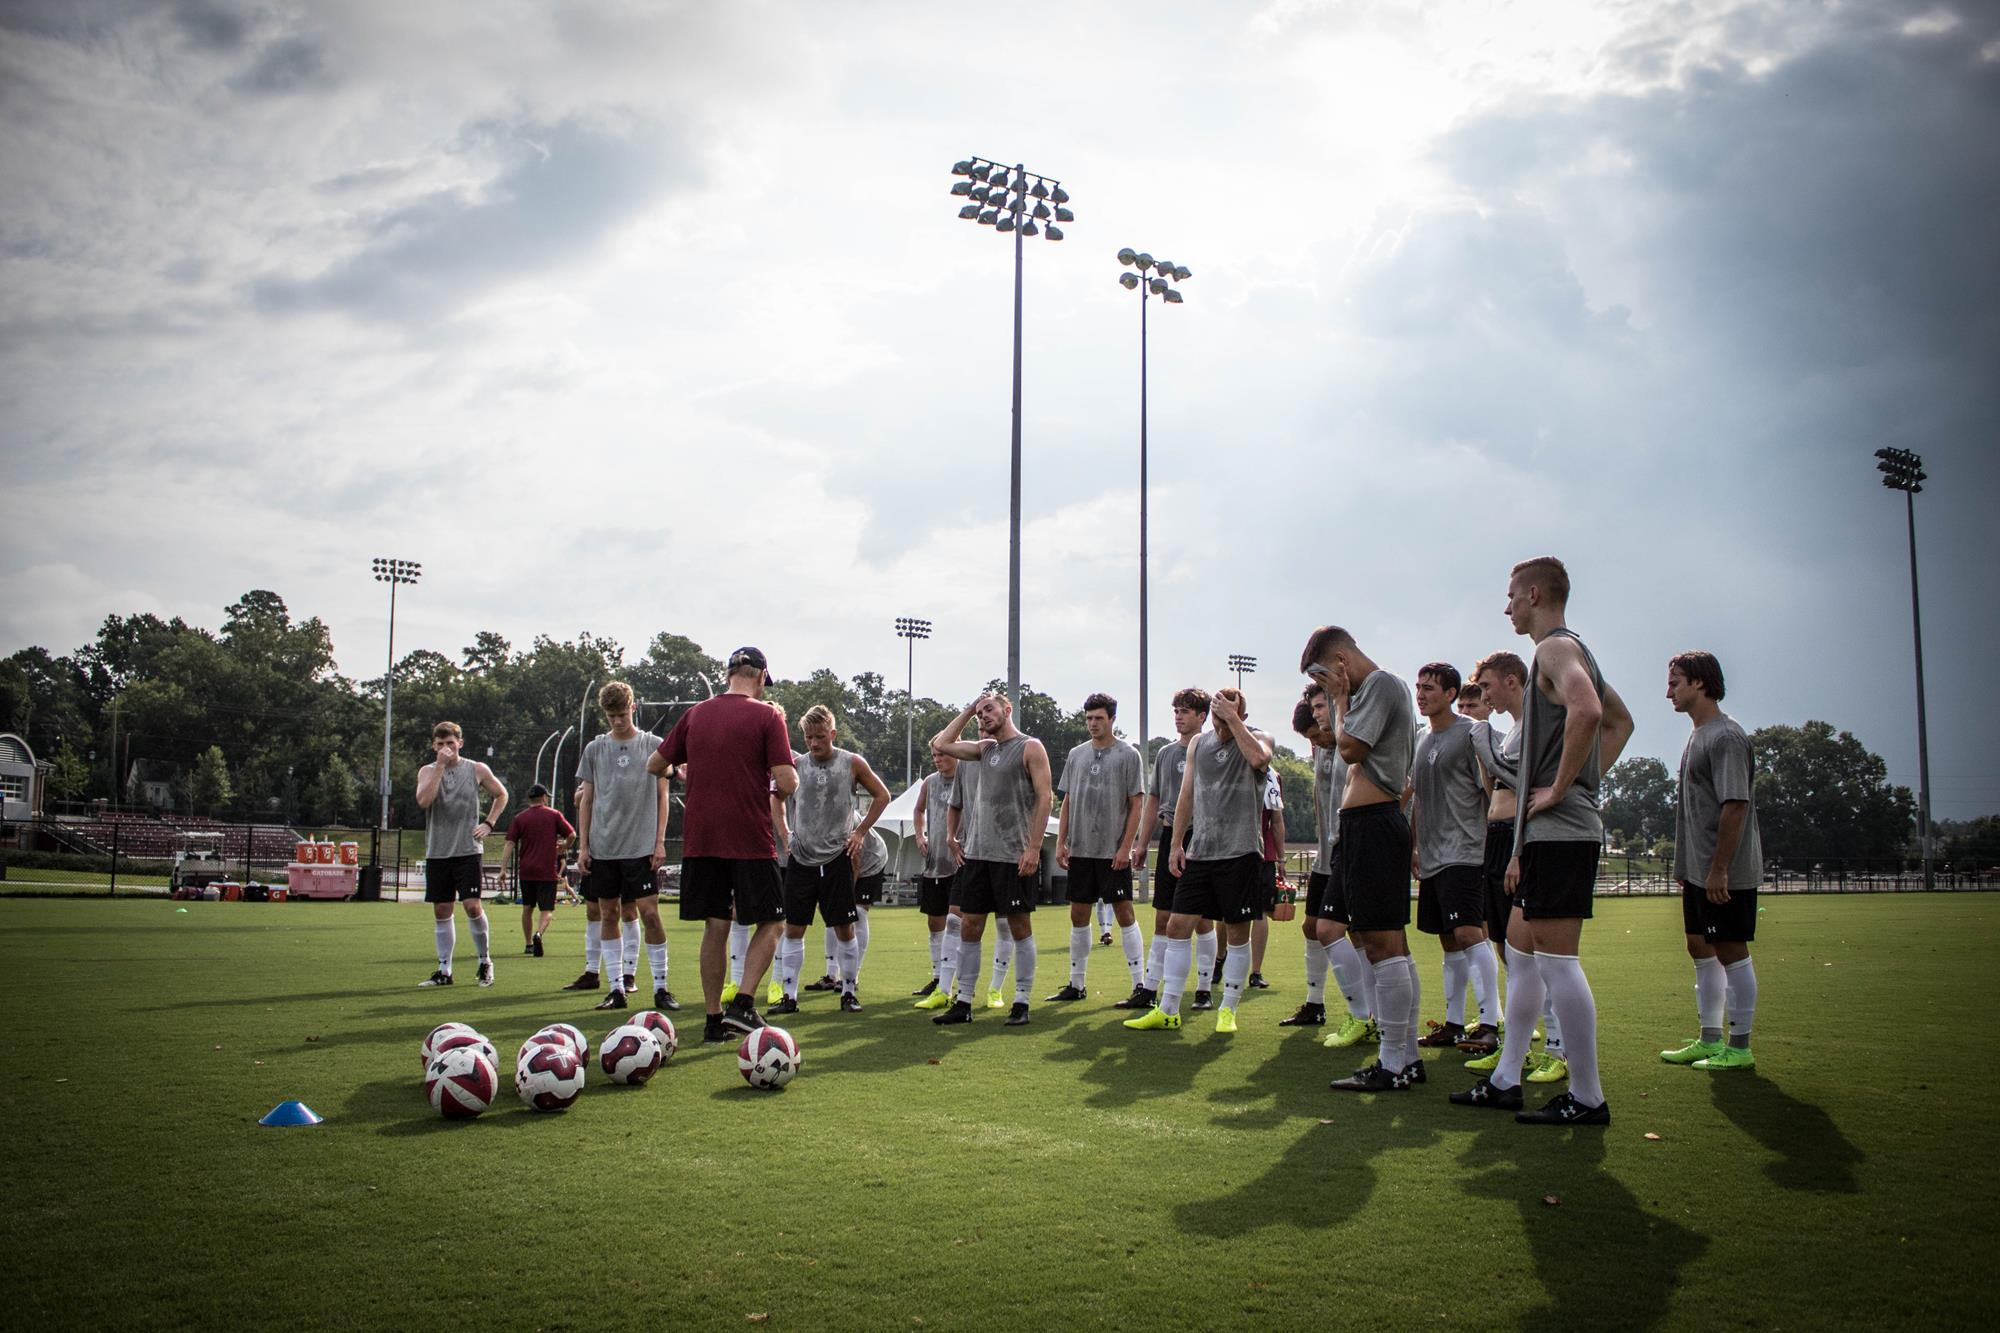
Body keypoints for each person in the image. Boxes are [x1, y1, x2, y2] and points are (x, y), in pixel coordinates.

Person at [1450, 557, 1633, 1125]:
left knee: (1556, 962)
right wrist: (1576, 781)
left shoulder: (1554, 648)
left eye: (1510, 597)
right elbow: (1621, 722)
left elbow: (1592, 710)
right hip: (1546, 834)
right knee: (1523, 953)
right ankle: (1507, 1079)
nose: (1507, 607)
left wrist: (1560, 787)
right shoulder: (1568, 649)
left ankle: (1588, 1096)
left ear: (1533, 594)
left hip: (1562, 831)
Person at [647, 646, 798, 1043]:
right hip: (748, 837)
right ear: (762, 677)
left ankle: (714, 1020)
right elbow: (786, 783)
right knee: (774, 921)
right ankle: (743, 1004)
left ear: (729, 674)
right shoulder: (767, 716)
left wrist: (687, 776)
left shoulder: (695, 714)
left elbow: (654, 765)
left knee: (716, 925)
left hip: (701, 839)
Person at [1299, 627, 1421, 1092]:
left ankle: (1392, 1063)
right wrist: (1338, 700)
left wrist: (1342, 698)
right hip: (1360, 826)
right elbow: (1336, 740)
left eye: (1323, 675)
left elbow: (1349, 746)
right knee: (1384, 944)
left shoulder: (1380, 685)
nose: (1323, 685)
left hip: (1374, 821)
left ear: (1342, 662)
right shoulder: (1370, 689)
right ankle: (1405, 1058)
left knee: (1384, 944)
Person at [1124, 686, 1270, 1035]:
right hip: (1200, 851)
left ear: (1241, 716)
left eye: (1229, 713)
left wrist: (1234, 722)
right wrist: (1176, 844)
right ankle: (1169, 1008)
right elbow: (1186, 793)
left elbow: (1259, 760)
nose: (1221, 721)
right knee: (1176, 925)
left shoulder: (1259, 738)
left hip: (1241, 850)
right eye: (1219, 713)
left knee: (1236, 932)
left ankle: (1228, 1009)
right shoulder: (1197, 745)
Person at [1463, 651, 1565, 1076]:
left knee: (1541, 954)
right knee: (1507, 947)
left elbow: (1527, 791)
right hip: (1496, 836)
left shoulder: (1537, 729)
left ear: (1511, 680)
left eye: (1486, 687)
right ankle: (1518, 1047)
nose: (1483, 696)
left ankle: (1557, 1051)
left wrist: (1519, 853)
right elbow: (1496, 785)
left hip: (1519, 841)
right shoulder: (1510, 734)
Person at [1662, 650, 1763, 1071]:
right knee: (1699, 946)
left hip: (1725, 871)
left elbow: (1734, 805)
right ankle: (1709, 1038)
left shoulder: (1725, 737)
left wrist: (1720, 867)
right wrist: (1688, 866)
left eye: (1675, 682)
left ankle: (1739, 1048)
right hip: (1699, 869)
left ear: (1699, 683)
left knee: (1730, 949)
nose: (1668, 691)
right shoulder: (1698, 733)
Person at [929, 692, 1053, 1027]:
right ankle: (964, 1002)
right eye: (980, 712)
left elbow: (1045, 797)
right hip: (978, 855)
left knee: (1018, 927)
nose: (984, 716)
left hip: (1013, 856)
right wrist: (968, 710)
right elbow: (943, 742)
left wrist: (1033, 847)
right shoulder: (983, 750)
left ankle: (1022, 1001)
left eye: (989, 710)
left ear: (1007, 710)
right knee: (969, 926)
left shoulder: (1030, 747)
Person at [772, 705, 889, 1016]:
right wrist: (785, 833)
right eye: (809, 737)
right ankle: (789, 996)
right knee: (793, 928)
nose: (814, 743)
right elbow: (776, 797)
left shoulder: (852, 763)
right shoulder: (795, 765)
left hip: (837, 859)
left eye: (820, 737)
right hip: (802, 859)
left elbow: (882, 795)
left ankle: (849, 992)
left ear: (833, 734)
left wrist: (861, 832)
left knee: (844, 928)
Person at [1281, 686, 1378, 1043]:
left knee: (1350, 932)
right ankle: (1315, 1003)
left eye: (1317, 733)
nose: (1317, 740)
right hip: (1326, 855)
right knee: (1312, 928)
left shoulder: (1351, 749)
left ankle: (1366, 1013)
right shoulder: (1323, 750)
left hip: (1349, 849)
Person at [1409, 663, 1498, 1049]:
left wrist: (1501, 844)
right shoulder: (1421, 740)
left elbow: (1492, 792)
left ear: (1450, 693)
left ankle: (1491, 1024)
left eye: (1429, 688)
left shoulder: (1472, 734)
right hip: (1431, 856)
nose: (1422, 694)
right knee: (1448, 940)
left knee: (1468, 933)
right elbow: (1417, 798)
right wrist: (1413, 844)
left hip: (1467, 851)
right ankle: (1454, 1023)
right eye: (1419, 687)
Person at [575, 682, 676, 1013]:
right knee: (609, 913)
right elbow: (587, 799)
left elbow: (663, 796)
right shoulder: (595, 749)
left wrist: (659, 841)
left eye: (621, 714)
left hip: (641, 848)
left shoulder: (653, 745)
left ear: (633, 708)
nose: (617, 721)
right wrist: (584, 846)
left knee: (649, 913)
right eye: (611, 715)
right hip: (604, 848)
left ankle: (661, 988)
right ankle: (615, 988)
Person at [1121, 688, 1217, 1011]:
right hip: (1167, 838)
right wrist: (1141, 842)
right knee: (1162, 916)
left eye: (1186, 711)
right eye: (1176, 710)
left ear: (1202, 716)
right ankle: (1149, 989)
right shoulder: (1164, 754)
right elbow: (1154, 800)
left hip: (1198, 839)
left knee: (1200, 918)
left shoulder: (1210, 749)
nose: (1179, 716)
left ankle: (1204, 988)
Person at [1049, 693, 1146, 1003]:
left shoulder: (1128, 755)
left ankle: (1140, 985)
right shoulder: (1076, 754)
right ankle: (1076, 985)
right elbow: (1067, 802)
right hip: (1080, 850)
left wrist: (1125, 847)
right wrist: (1062, 841)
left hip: (1112, 852)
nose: (1093, 724)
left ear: (1112, 719)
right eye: (1089, 718)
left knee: (1124, 913)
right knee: (1078, 915)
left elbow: (1137, 804)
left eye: (1099, 718)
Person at [415, 721, 508, 988]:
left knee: (472, 905)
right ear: (434, 745)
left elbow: (501, 795)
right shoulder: (427, 771)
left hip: (467, 849)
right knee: (442, 909)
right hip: (438, 850)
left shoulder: (476, 768)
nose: (446, 748)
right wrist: (440, 767)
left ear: (460, 743)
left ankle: (485, 961)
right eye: (441, 744)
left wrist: (489, 823)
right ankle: (444, 970)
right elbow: (424, 801)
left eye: (451, 743)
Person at [911, 745, 961, 1002]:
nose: (938, 760)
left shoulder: (968, 776)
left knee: (956, 923)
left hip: (960, 863)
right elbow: (918, 810)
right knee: (934, 923)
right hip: (934, 864)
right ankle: (938, 976)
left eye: (942, 754)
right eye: (934, 756)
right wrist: (921, 836)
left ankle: (956, 983)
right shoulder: (930, 782)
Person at [506, 783, 573, 956]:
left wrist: (502, 868)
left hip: (527, 870)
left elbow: (510, 843)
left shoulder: (520, 818)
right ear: (544, 798)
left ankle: (528, 944)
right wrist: (564, 847)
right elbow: (572, 834)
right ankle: (539, 933)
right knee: (547, 910)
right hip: (547, 870)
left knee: (527, 908)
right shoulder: (554, 815)